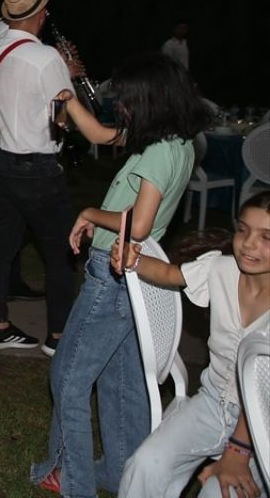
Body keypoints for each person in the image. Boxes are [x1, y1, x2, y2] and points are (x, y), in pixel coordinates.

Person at [31, 53, 209, 496]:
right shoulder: (174, 141)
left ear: (151, 101)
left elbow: (141, 223)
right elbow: (99, 133)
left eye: (128, 101)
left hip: (111, 277)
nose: (121, 108)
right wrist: (70, 102)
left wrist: (91, 211)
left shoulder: (159, 152)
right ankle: (118, 470)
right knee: (121, 382)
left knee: (68, 379)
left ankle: (75, 482)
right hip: (130, 275)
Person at [116, 192, 270, 498]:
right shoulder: (221, 269)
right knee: (146, 465)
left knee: (219, 493)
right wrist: (133, 259)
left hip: (263, 423)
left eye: (267, 237)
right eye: (243, 230)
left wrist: (237, 452)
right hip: (213, 402)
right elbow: (169, 273)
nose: (249, 243)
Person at [0, 0, 76, 351]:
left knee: (1, 248)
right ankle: (58, 336)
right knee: (61, 252)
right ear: (40, 14)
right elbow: (64, 116)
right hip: (37, 168)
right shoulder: (45, 58)